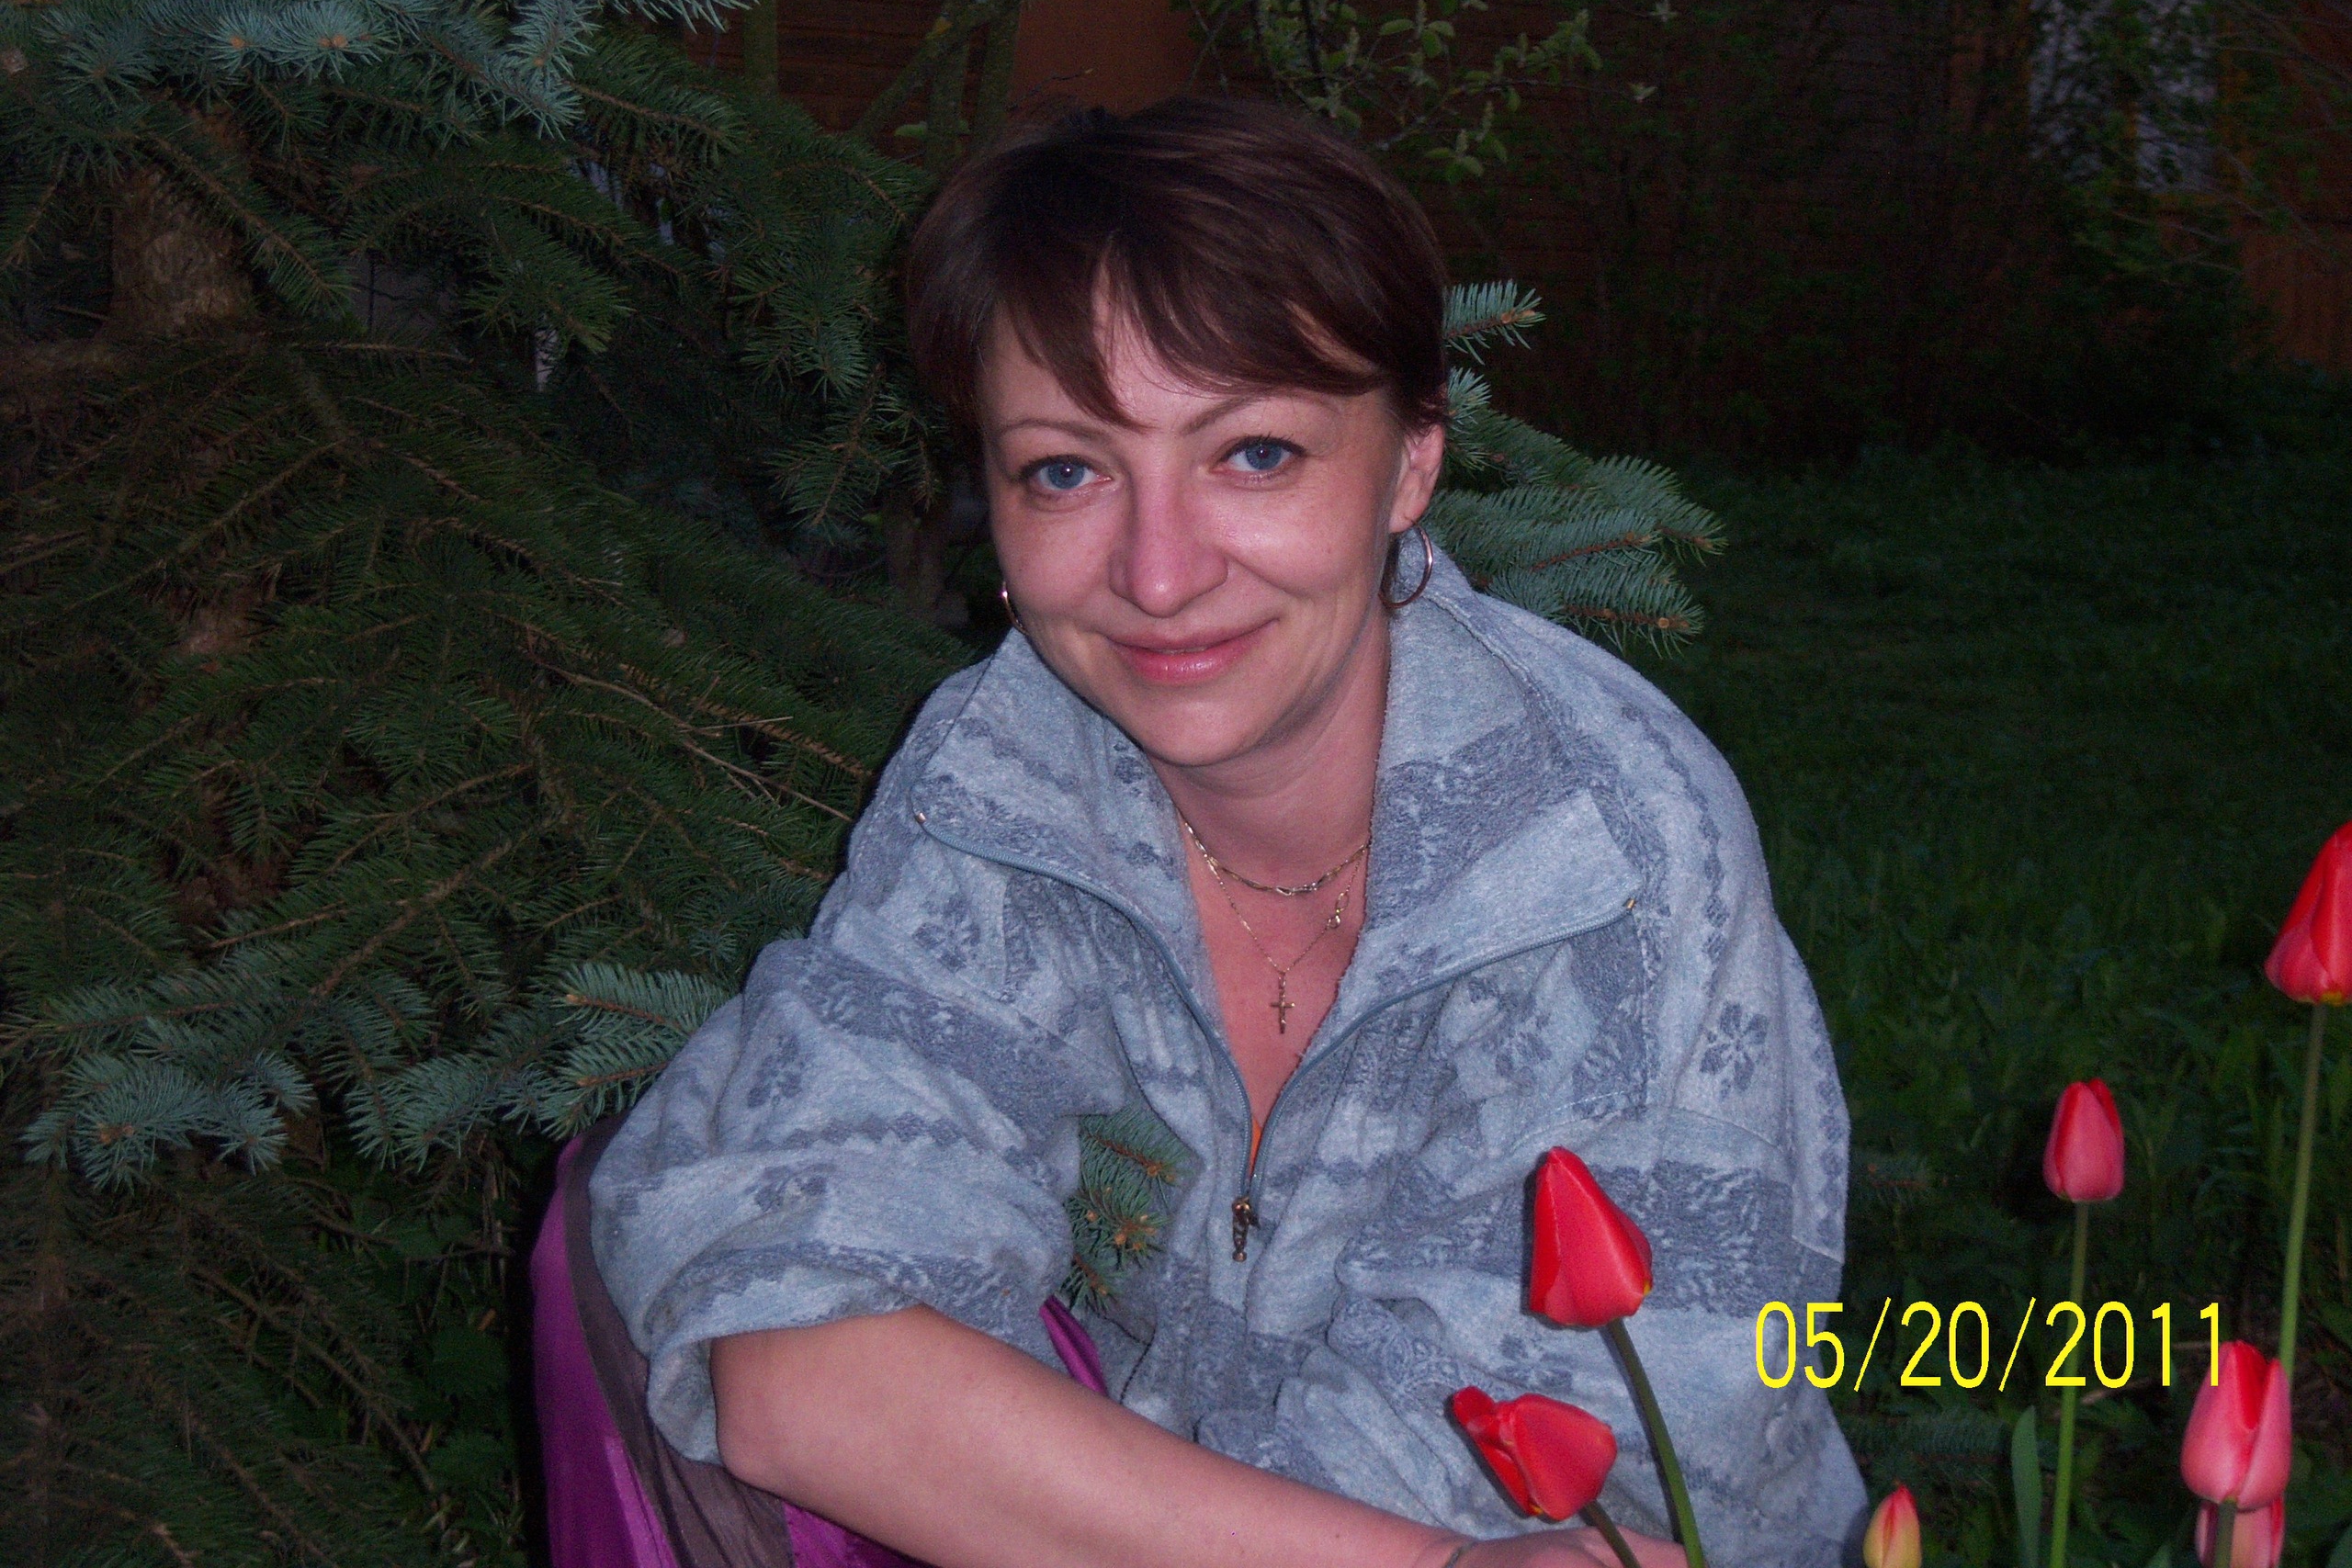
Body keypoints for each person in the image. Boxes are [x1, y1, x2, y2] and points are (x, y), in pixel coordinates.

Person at [589, 97, 1864, 1568]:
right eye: (1066, 469)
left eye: (1254, 454)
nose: (1157, 572)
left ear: (1411, 463)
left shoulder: (1601, 857)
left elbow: (1563, 1472)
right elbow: (796, 1351)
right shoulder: (1010, 771)